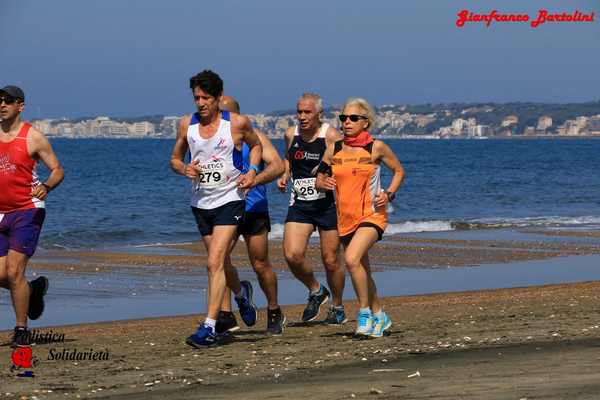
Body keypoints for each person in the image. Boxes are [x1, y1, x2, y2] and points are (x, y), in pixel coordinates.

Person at [170, 71, 262, 347]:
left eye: (206, 98)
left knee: (213, 262)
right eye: (196, 97)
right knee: (220, 261)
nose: (200, 103)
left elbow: (255, 147)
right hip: (200, 203)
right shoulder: (187, 125)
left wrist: (253, 171)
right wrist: (185, 168)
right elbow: (174, 159)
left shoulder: (236, 124)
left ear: (219, 98)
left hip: (230, 199)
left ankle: (209, 326)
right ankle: (241, 291)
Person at [316, 97, 404, 338]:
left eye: (353, 118)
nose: (347, 122)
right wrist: (323, 183)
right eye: (343, 118)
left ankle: (364, 314)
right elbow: (319, 179)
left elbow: (398, 171)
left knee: (352, 259)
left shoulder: (376, 147)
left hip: (372, 215)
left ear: (366, 122)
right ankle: (380, 316)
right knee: (362, 271)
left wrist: (389, 194)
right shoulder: (333, 148)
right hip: (345, 218)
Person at [0, 85, 64, 347]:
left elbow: (58, 169)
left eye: (7, 101)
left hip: (28, 209)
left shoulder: (33, 137)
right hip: (1, 213)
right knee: (4, 276)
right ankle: (34, 291)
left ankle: (21, 328)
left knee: (14, 271)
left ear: (20, 106)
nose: (2, 105)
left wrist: (48, 185)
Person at [217, 95, 286, 335]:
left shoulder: (255, 137)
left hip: (254, 207)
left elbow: (278, 166)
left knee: (259, 263)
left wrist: (254, 180)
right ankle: (227, 312)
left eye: (225, 114)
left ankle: (274, 310)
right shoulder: (211, 138)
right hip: (225, 207)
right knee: (219, 259)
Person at [276, 93, 346, 324]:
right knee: (292, 254)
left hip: (328, 204)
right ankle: (316, 290)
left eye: (307, 112)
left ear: (319, 114)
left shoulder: (332, 135)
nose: (302, 116)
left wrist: (328, 177)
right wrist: (285, 174)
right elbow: (289, 158)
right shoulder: (290, 134)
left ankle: (337, 307)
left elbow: (346, 167)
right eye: (299, 112)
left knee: (330, 259)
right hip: (301, 204)